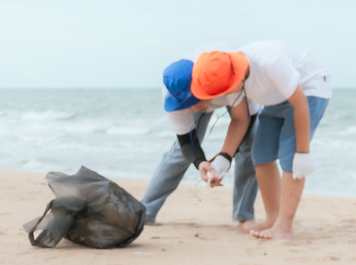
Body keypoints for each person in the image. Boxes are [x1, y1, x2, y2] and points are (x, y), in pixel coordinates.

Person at [189, 41, 330, 240]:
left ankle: (285, 227)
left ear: (236, 77)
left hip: (309, 90)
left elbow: (300, 104)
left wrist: (303, 152)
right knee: (261, 154)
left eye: (225, 90)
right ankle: (273, 219)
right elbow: (241, 119)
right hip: (276, 97)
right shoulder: (229, 75)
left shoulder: (270, 63)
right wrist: (224, 158)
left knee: (291, 156)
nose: (225, 95)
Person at [140, 48, 260, 229]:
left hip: (228, 86)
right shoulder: (172, 92)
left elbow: (243, 121)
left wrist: (225, 157)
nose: (192, 108)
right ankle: (145, 212)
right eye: (185, 104)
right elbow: (186, 141)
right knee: (179, 153)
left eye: (193, 101)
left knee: (249, 144)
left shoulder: (227, 77)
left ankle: (244, 216)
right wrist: (200, 162)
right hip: (205, 90)